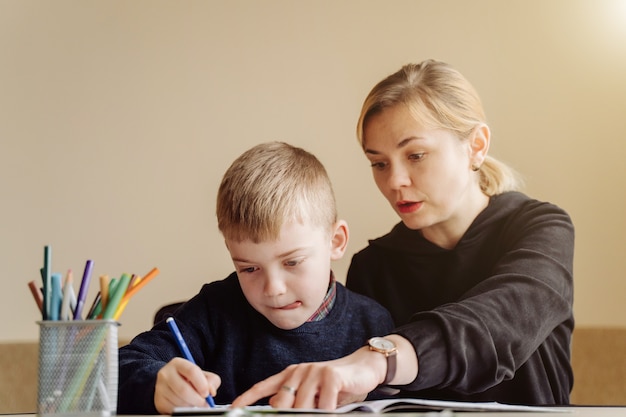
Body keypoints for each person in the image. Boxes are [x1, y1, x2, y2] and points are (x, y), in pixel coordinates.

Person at [232, 59, 575, 409]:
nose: (394, 181)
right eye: (379, 163)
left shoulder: (542, 228)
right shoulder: (374, 266)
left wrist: (382, 359)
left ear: (476, 145)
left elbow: (499, 324)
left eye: (416, 155)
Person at [117, 142, 394, 414]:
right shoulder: (213, 311)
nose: (273, 289)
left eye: (292, 262)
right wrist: (157, 384)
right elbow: (120, 365)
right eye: (249, 269)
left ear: (336, 241)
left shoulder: (373, 326)